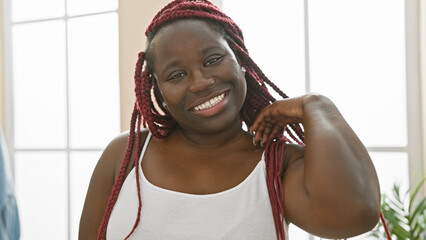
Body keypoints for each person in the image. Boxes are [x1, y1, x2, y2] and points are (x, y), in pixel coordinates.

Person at [79, 0, 386, 239]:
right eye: (176, 75)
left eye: (212, 59)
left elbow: (356, 213)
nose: (200, 82)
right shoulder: (125, 154)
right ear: (156, 91)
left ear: (240, 61)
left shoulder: (278, 163)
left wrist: (318, 106)